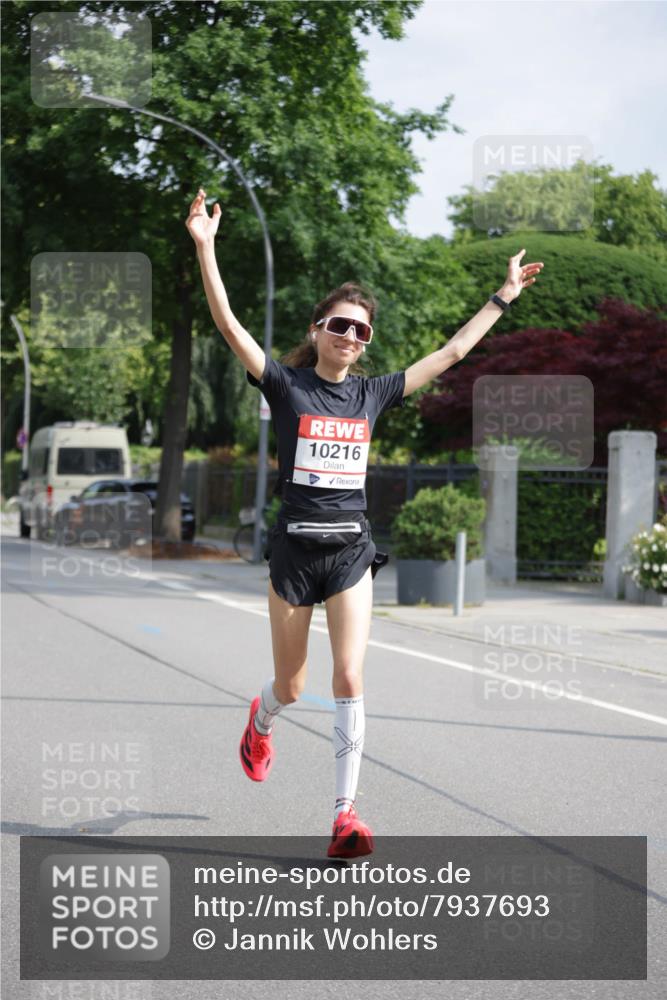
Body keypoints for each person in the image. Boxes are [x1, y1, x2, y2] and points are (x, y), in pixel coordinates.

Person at [186, 187, 543, 858]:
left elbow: (452, 354)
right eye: (339, 325)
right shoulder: (286, 385)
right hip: (293, 553)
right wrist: (205, 246)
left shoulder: (373, 393)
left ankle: (344, 816)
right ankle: (260, 721)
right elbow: (231, 326)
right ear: (317, 329)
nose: (350, 337)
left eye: (361, 330)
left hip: (350, 551)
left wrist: (501, 298)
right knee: (290, 686)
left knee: (348, 677)